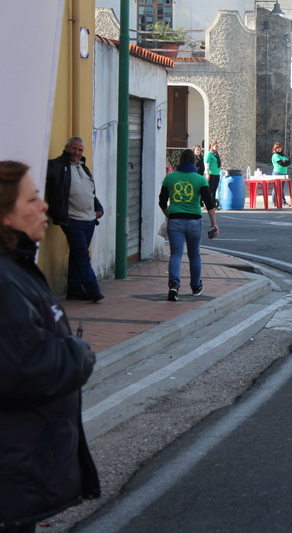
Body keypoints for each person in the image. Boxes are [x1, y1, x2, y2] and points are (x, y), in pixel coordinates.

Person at [0, 160, 101, 533]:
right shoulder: (5, 279)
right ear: (5, 216)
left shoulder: (17, 268)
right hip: (13, 468)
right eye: (32, 199)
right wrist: (77, 353)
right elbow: (21, 366)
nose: (44, 206)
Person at [45, 136, 105, 302]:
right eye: (74, 149)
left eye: (80, 150)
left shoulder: (84, 168)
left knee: (77, 256)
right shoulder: (56, 165)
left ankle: (75, 290)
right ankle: (93, 289)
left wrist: (98, 208)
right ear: (66, 148)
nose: (77, 152)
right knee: (82, 255)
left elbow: (90, 192)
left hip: (89, 220)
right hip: (72, 219)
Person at [160, 149, 219, 301]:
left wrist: (170, 215)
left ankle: (173, 285)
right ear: (194, 162)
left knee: (176, 254)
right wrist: (214, 224)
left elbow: (162, 202)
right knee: (194, 255)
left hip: (175, 220)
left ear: (179, 161)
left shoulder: (169, 178)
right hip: (194, 221)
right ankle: (195, 286)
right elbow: (209, 203)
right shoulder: (200, 180)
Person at [271, 142, 291, 207]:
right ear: (275, 149)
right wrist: (284, 162)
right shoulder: (275, 155)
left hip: (284, 173)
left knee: (281, 188)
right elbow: (282, 163)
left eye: (280, 147)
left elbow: (289, 162)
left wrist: (285, 162)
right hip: (277, 173)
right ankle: (274, 201)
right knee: (276, 188)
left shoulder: (283, 155)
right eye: (277, 148)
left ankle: (283, 201)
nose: (279, 149)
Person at [203, 141, 221, 209]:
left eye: (217, 146)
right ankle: (207, 204)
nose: (217, 147)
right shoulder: (209, 154)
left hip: (216, 173)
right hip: (210, 173)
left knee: (214, 190)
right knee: (209, 190)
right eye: (216, 146)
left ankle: (213, 204)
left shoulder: (216, 154)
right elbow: (206, 164)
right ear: (212, 146)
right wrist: (207, 174)